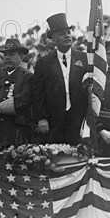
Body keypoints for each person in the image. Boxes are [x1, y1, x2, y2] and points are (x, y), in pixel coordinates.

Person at [32, 13, 88, 145]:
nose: (67, 36)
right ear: (54, 39)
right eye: (62, 34)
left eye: (68, 32)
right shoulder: (43, 64)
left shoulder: (84, 59)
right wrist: (42, 118)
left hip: (79, 119)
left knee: (79, 157)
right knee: (55, 157)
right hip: (53, 120)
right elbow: (38, 94)